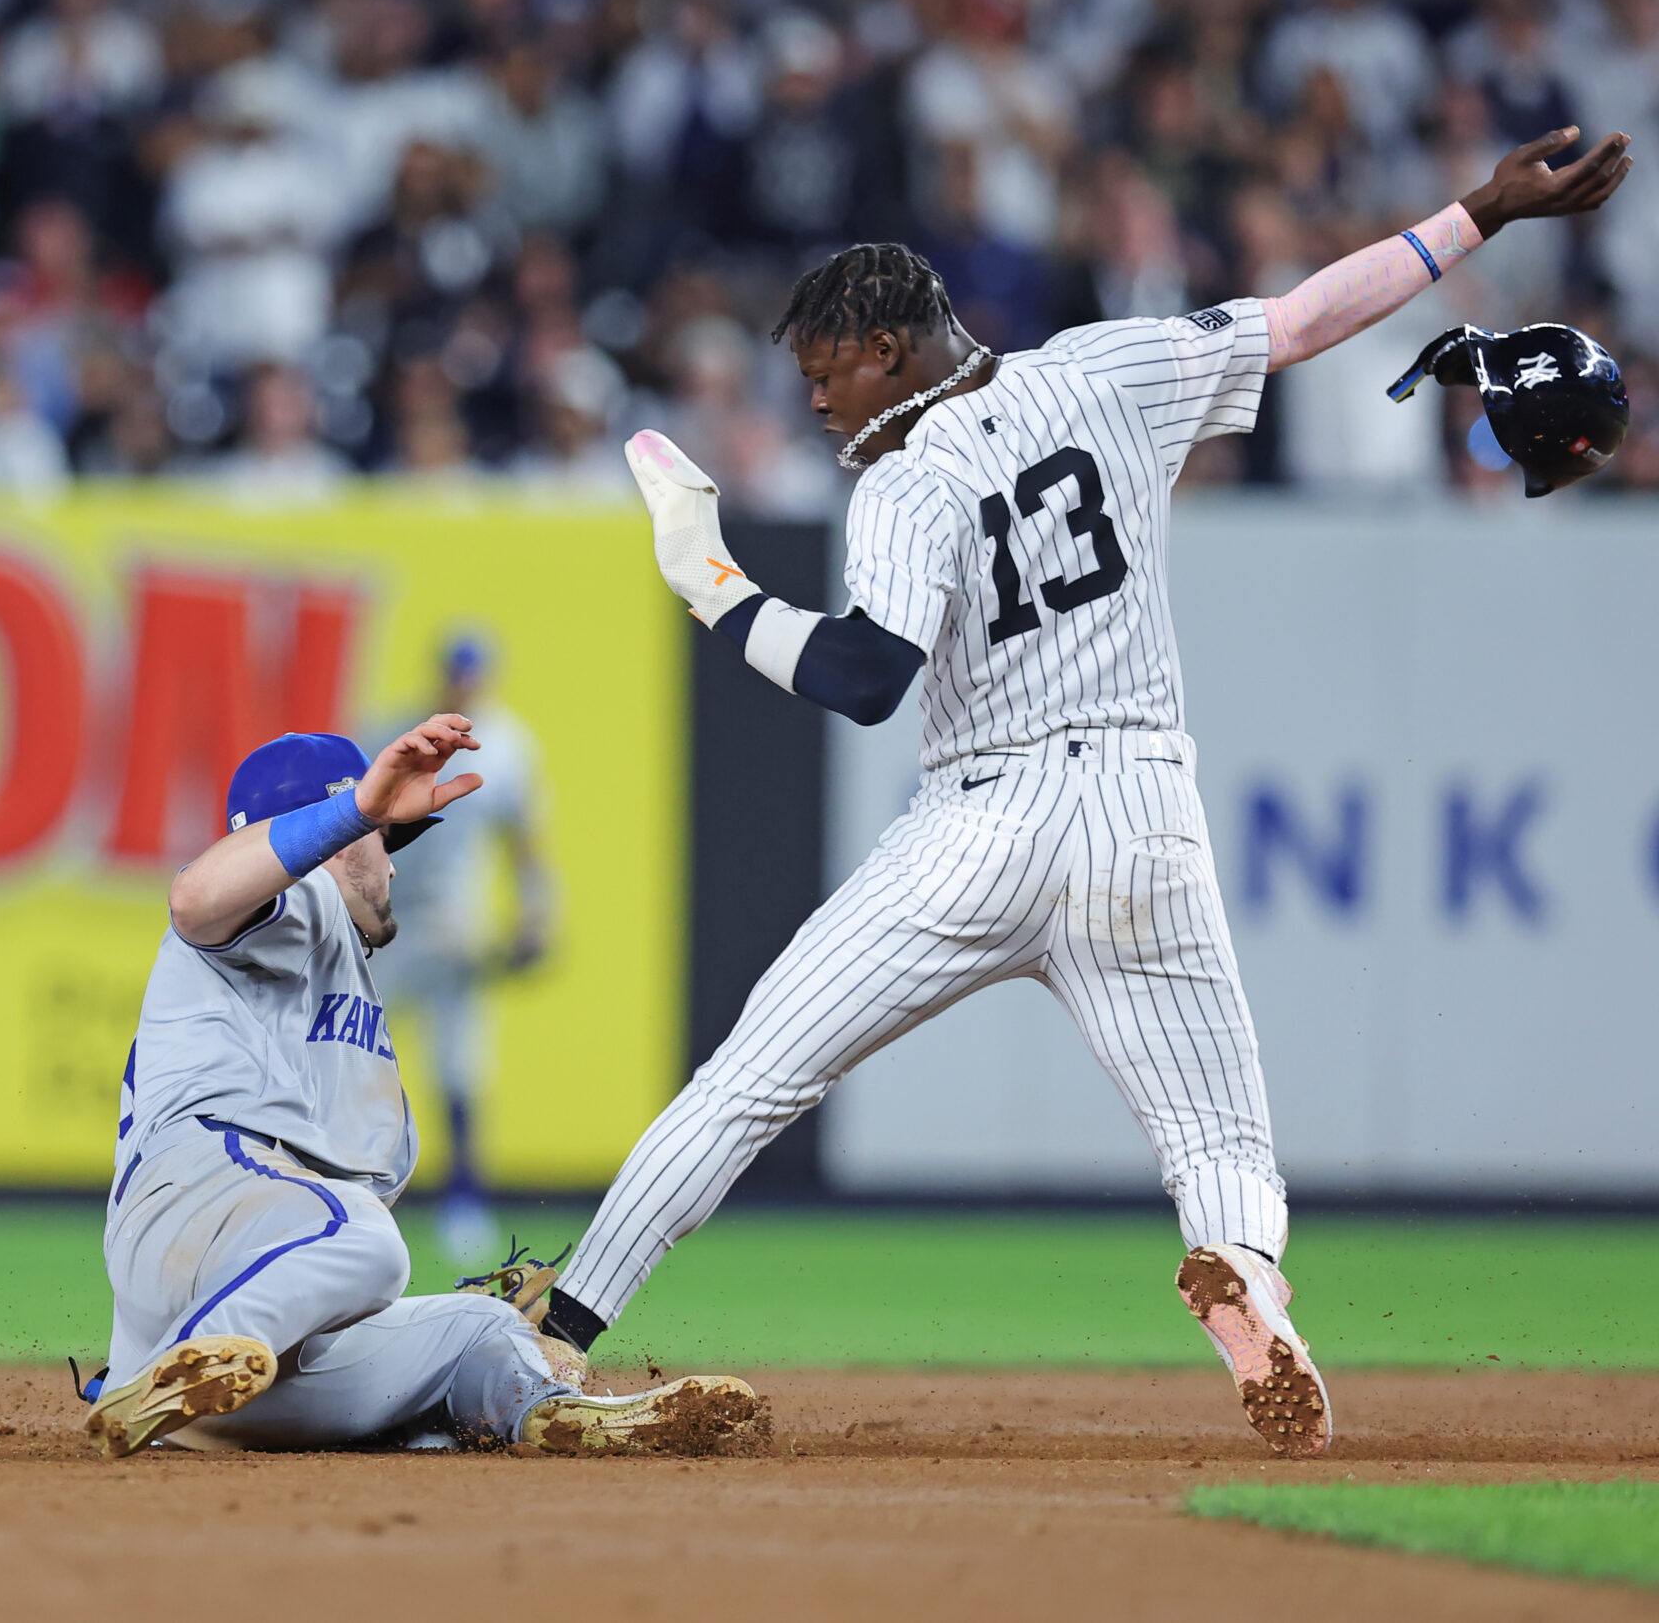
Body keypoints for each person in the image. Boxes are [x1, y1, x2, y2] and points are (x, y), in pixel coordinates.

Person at [526, 126, 1634, 1460]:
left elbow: (866, 676)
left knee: (747, 1082)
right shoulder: (1114, 365)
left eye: (827, 370)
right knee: (1218, 1130)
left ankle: (557, 1327)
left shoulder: (906, 478)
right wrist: (1479, 214)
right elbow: (1300, 319)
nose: (819, 400)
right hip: (1137, 811)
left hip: (975, 826)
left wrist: (712, 584)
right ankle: (1246, 1283)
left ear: (891, 347)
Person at [84, 722, 756, 1458]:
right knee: (368, 1240)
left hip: (254, 1313)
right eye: (385, 841)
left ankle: (557, 1414)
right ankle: (177, 1365)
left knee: (480, 1328)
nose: (397, 868)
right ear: (337, 835)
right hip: (198, 1207)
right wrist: (356, 811)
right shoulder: (300, 900)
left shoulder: (349, 997)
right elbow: (194, 896)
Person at [371, 639, 555, 1262]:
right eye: (456, 675)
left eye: (472, 676)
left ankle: (464, 1200)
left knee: (458, 1066)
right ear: (442, 677)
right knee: (358, 1052)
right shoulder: (394, 729)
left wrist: (538, 912)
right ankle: (356, 1194)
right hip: (386, 920)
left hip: (458, 926)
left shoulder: (508, 746)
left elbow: (527, 839)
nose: (463, 685)